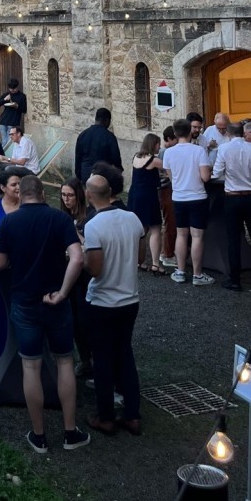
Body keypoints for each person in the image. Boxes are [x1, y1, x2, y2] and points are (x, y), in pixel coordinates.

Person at [0, 173, 90, 454]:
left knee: (30, 366)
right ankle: (70, 432)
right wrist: (63, 291)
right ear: (43, 194)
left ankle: (39, 435)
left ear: (21, 195)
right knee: (64, 362)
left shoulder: (9, 222)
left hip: (24, 301)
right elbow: (78, 257)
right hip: (55, 302)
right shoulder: (60, 220)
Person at [83, 174, 146, 437]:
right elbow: (141, 257)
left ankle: (105, 416)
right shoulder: (132, 218)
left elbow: (95, 270)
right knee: (125, 354)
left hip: (103, 300)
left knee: (103, 358)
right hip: (129, 298)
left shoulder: (94, 226)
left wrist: (81, 258)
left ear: (89, 195)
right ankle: (132, 414)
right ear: (110, 192)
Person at [212, 122, 251, 290]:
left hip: (232, 197)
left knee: (233, 239)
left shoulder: (224, 149)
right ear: (243, 133)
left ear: (229, 134)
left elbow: (216, 173)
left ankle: (235, 279)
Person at [162, 118, 214, 286]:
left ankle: (180, 271)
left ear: (175, 133)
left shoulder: (169, 153)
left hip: (179, 197)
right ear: (190, 132)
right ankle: (197, 275)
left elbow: (170, 177)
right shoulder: (198, 151)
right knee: (197, 236)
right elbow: (205, 177)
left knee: (181, 234)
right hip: (197, 197)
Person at [59, 178, 92, 379]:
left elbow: (90, 245)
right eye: (63, 195)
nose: (66, 199)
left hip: (84, 276)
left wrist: (74, 234)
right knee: (71, 320)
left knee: (84, 320)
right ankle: (83, 359)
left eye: (70, 195)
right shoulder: (62, 215)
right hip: (65, 271)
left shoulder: (88, 218)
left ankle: (90, 360)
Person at [127, 133, 165, 273]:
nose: (159, 147)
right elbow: (169, 168)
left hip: (134, 194)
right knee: (155, 229)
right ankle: (155, 264)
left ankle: (138, 261)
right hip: (148, 195)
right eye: (157, 144)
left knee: (141, 229)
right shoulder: (154, 160)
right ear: (153, 144)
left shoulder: (136, 157)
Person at [74, 108, 122, 184]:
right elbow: (115, 158)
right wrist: (119, 172)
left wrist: (79, 175)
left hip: (86, 174)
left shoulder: (83, 135)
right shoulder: (109, 137)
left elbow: (78, 157)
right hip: (103, 175)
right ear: (107, 120)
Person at [159, 126, 178, 269]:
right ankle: (168, 254)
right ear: (170, 139)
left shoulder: (164, 151)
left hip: (166, 189)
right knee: (170, 222)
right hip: (166, 189)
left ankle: (165, 251)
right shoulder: (166, 152)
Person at [0, 77, 27, 147]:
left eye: (14, 88)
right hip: (3, 121)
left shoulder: (22, 96)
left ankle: (7, 156)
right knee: (4, 141)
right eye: (11, 88)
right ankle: (4, 156)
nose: (12, 90)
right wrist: (4, 99)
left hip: (13, 122)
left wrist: (16, 106)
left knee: (9, 142)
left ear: (17, 87)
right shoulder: (7, 94)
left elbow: (24, 109)